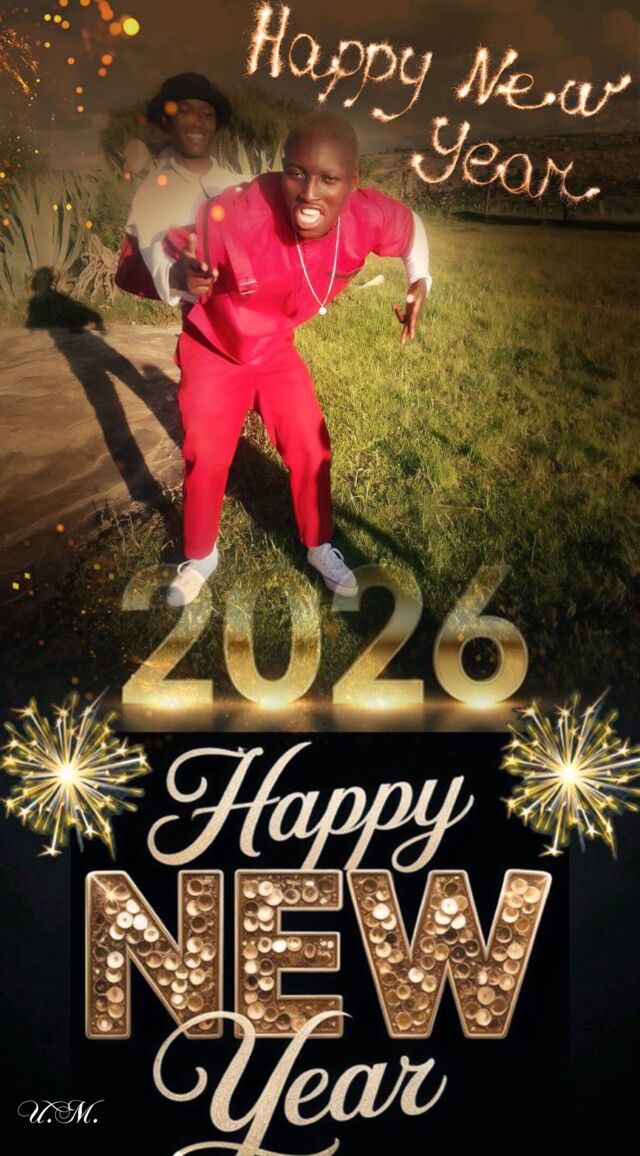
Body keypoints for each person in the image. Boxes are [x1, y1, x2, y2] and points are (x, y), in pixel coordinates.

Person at [164, 111, 432, 607]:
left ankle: (319, 546)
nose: (309, 193)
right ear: (282, 169)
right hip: (214, 347)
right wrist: (181, 277)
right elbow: (174, 260)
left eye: (328, 179)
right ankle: (200, 556)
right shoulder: (239, 211)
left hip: (273, 348)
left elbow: (412, 227)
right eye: (296, 173)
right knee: (207, 451)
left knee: (310, 444)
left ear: (353, 181)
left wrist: (420, 280)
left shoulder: (366, 216)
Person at [115, 72, 242, 306]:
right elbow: (157, 261)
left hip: (260, 322)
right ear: (166, 121)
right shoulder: (152, 195)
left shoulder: (241, 185)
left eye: (207, 114)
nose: (197, 122)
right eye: (184, 112)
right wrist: (178, 277)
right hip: (200, 322)